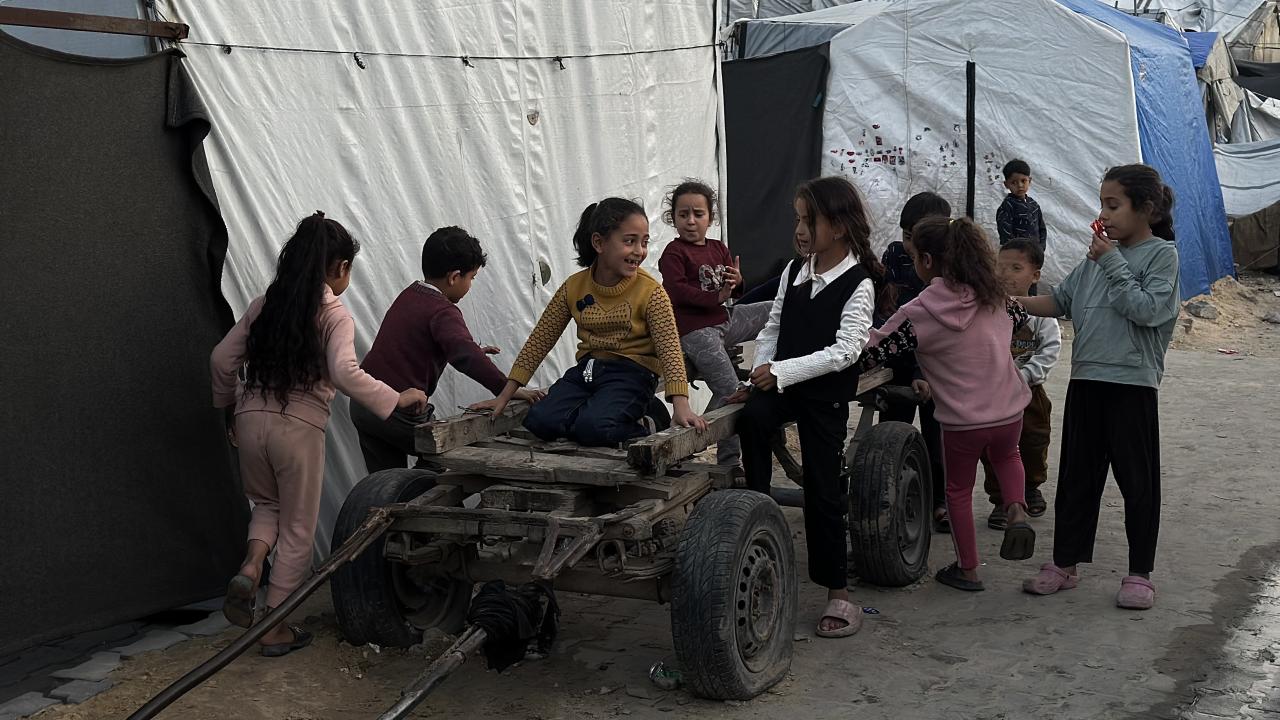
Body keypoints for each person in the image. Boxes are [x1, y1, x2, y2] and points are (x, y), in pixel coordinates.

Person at [210, 212, 429, 655]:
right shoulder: (333, 314)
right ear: (340, 267)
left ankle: (252, 566)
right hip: (298, 428)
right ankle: (274, 627)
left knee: (267, 504)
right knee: (297, 529)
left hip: (250, 420)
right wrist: (396, 398)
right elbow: (344, 373)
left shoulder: (264, 306)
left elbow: (220, 359)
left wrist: (230, 409)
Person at [731, 176, 889, 639]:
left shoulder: (859, 282)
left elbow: (846, 351)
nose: (800, 230)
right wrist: (760, 373)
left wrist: (781, 372)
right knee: (752, 420)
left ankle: (838, 590)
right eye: (798, 219)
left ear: (838, 226)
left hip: (824, 393)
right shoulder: (794, 270)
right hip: (783, 384)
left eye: (809, 220)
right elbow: (772, 327)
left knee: (824, 486)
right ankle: (759, 522)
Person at [1020, 164, 1179, 611]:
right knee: (1077, 478)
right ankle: (1064, 564)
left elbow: (1145, 309)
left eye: (1114, 205)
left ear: (1146, 209)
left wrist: (1110, 260)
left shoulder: (1162, 256)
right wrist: (1010, 304)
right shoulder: (1095, 258)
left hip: (1131, 385)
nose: (1104, 214)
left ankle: (1139, 573)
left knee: (1137, 482)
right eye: (1102, 204)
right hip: (1086, 380)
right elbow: (1061, 301)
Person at [857, 216, 1036, 593]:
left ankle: (968, 570)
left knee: (957, 490)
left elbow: (873, 351)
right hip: (1009, 410)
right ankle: (1016, 509)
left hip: (963, 422)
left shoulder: (919, 312)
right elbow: (1020, 317)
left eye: (913, 258)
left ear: (926, 260)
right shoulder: (996, 297)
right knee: (1009, 456)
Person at [478, 198, 706, 444]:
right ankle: (614, 411)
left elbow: (670, 350)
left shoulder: (651, 292)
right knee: (539, 421)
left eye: (644, 242)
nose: (639, 251)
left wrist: (681, 405)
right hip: (588, 371)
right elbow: (540, 341)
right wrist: (504, 395)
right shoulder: (574, 286)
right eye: (629, 241)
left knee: (595, 428)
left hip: (633, 374)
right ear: (599, 243)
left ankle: (650, 420)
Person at [353, 226, 543, 473]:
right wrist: (506, 389)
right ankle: (426, 489)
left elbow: (422, 342)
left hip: (363, 402)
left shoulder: (409, 294)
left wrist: (472, 349)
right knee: (443, 450)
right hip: (396, 408)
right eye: (471, 278)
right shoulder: (443, 310)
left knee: (384, 481)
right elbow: (464, 355)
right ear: (454, 277)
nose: (470, 284)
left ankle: (396, 493)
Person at [658, 180, 770, 474]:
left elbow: (731, 291)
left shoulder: (718, 247)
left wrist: (738, 282)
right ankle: (726, 461)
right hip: (696, 331)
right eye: (683, 214)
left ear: (710, 217)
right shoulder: (673, 253)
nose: (691, 221)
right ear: (673, 218)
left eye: (698, 214)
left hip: (724, 319)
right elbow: (676, 292)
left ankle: (777, 370)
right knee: (731, 391)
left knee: (776, 311)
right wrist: (716, 297)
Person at [878, 191, 951, 533]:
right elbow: (885, 305)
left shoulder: (949, 266)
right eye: (906, 236)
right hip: (898, 358)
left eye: (916, 238)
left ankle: (940, 501)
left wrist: (923, 370)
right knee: (892, 432)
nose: (910, 246)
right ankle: (888, 499)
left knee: (938, 439)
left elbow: (937, 328)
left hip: (935, 363)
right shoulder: (895, 255)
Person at [982, 239, 1061, 530]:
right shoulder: (988, 311)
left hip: (1030, 393)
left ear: (1035, 275)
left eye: (1016, 268)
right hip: (993, 395)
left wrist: (1025, 376)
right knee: (994, 447)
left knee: (1034, 440)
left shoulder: (1040, 314)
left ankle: (1030, 487)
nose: (1006, 274)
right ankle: (1001, 499)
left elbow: (1049, 350)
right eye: (1000, 267)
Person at [996, 159, 1047, 250]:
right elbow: (1005, 234)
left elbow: (1042, 228)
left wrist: (1041, 248)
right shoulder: (1007, 206)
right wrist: (1014, 252)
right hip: (1017, 253)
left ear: (1029, 180)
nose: (1020, 185)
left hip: (1035, 252)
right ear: (1006, 184)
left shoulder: (1034, 205)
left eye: (1023, 181)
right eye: (1014, 182)